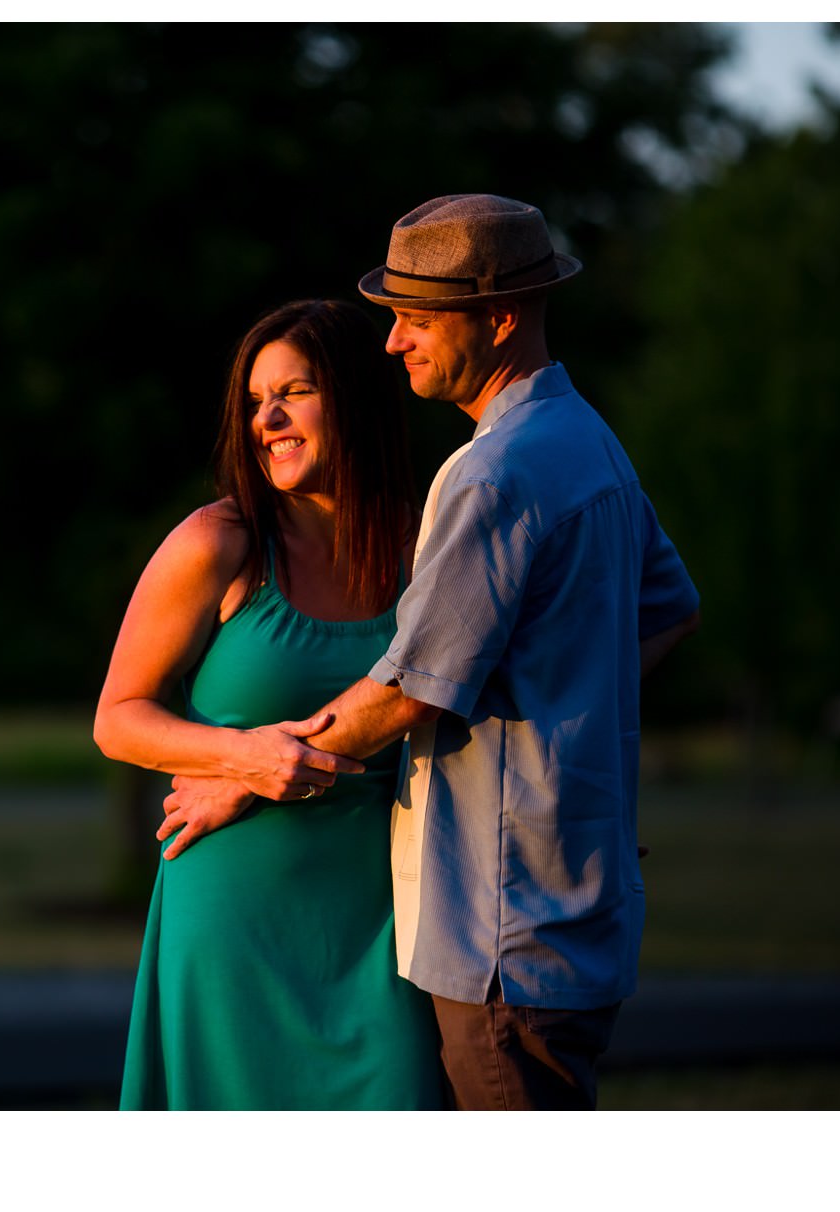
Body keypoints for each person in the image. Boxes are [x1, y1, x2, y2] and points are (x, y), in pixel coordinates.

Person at [158, 195, 702, 1110]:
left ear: (498, 319)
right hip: (575, 900)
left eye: (417, 320)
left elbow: (408, 692)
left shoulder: (490, 473)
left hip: (500, 924)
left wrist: (247, 770)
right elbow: (668, 612)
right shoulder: (590, 445)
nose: (392, 343)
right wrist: (568, 754)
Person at [95, 299, 445, 1110]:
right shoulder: (217, 543)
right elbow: (117, 717)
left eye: (295, 392)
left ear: (354, 398)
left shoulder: (423, 549)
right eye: (255, 402)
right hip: (231, 919)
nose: (269, 419)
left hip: (381, 920)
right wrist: (245, 760)